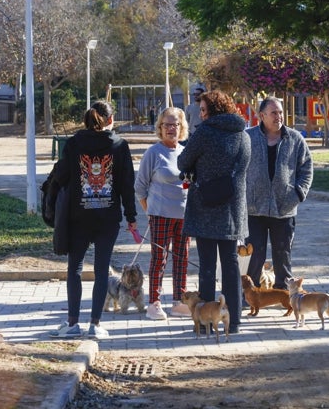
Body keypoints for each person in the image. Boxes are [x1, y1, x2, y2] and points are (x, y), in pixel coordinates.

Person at [49, 100, 138, 338]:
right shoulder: (120, 145)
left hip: (78, 217)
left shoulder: (74, 144)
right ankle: (95, 325)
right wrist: (131, 216)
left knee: (74, 269)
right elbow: (127, 185)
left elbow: (61, 175)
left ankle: (71, 323)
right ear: (111, 120)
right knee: (102, 272)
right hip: (107, 219)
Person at [178, 90, 251, 334]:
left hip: (205, 204)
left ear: (212, 110)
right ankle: (235, 321)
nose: (200, 114)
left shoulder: (204, 133)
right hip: (233, 207)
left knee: (207, 265)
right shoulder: (243, 134)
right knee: (231, 265)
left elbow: (183, 162)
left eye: (202, 109)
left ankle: (207, 323)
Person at [244, 96, 313, 291]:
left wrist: (298, 193)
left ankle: (284, 293)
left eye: (281, 112)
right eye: (274, 113)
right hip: (254, 209)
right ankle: (252, 292)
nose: (279, 116)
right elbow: (237, 169)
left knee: (283, 254)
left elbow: (306, 168)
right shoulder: (248, 138)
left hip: (284, 208)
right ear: (262, 115)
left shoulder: (294, 138)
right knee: (254, 254)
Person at [135, 107, 192, 320]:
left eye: (175, 124)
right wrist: (150, 211)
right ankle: (154, 303)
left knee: (182, 259)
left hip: (184, 216)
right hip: (160, 215)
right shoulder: (153, 153)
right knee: (159, 259)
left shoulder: (185, 152)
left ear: (181, 127)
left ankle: (179, 301)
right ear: (160, 127)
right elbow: (140, 187)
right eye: (167, 125)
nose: (171, 129)